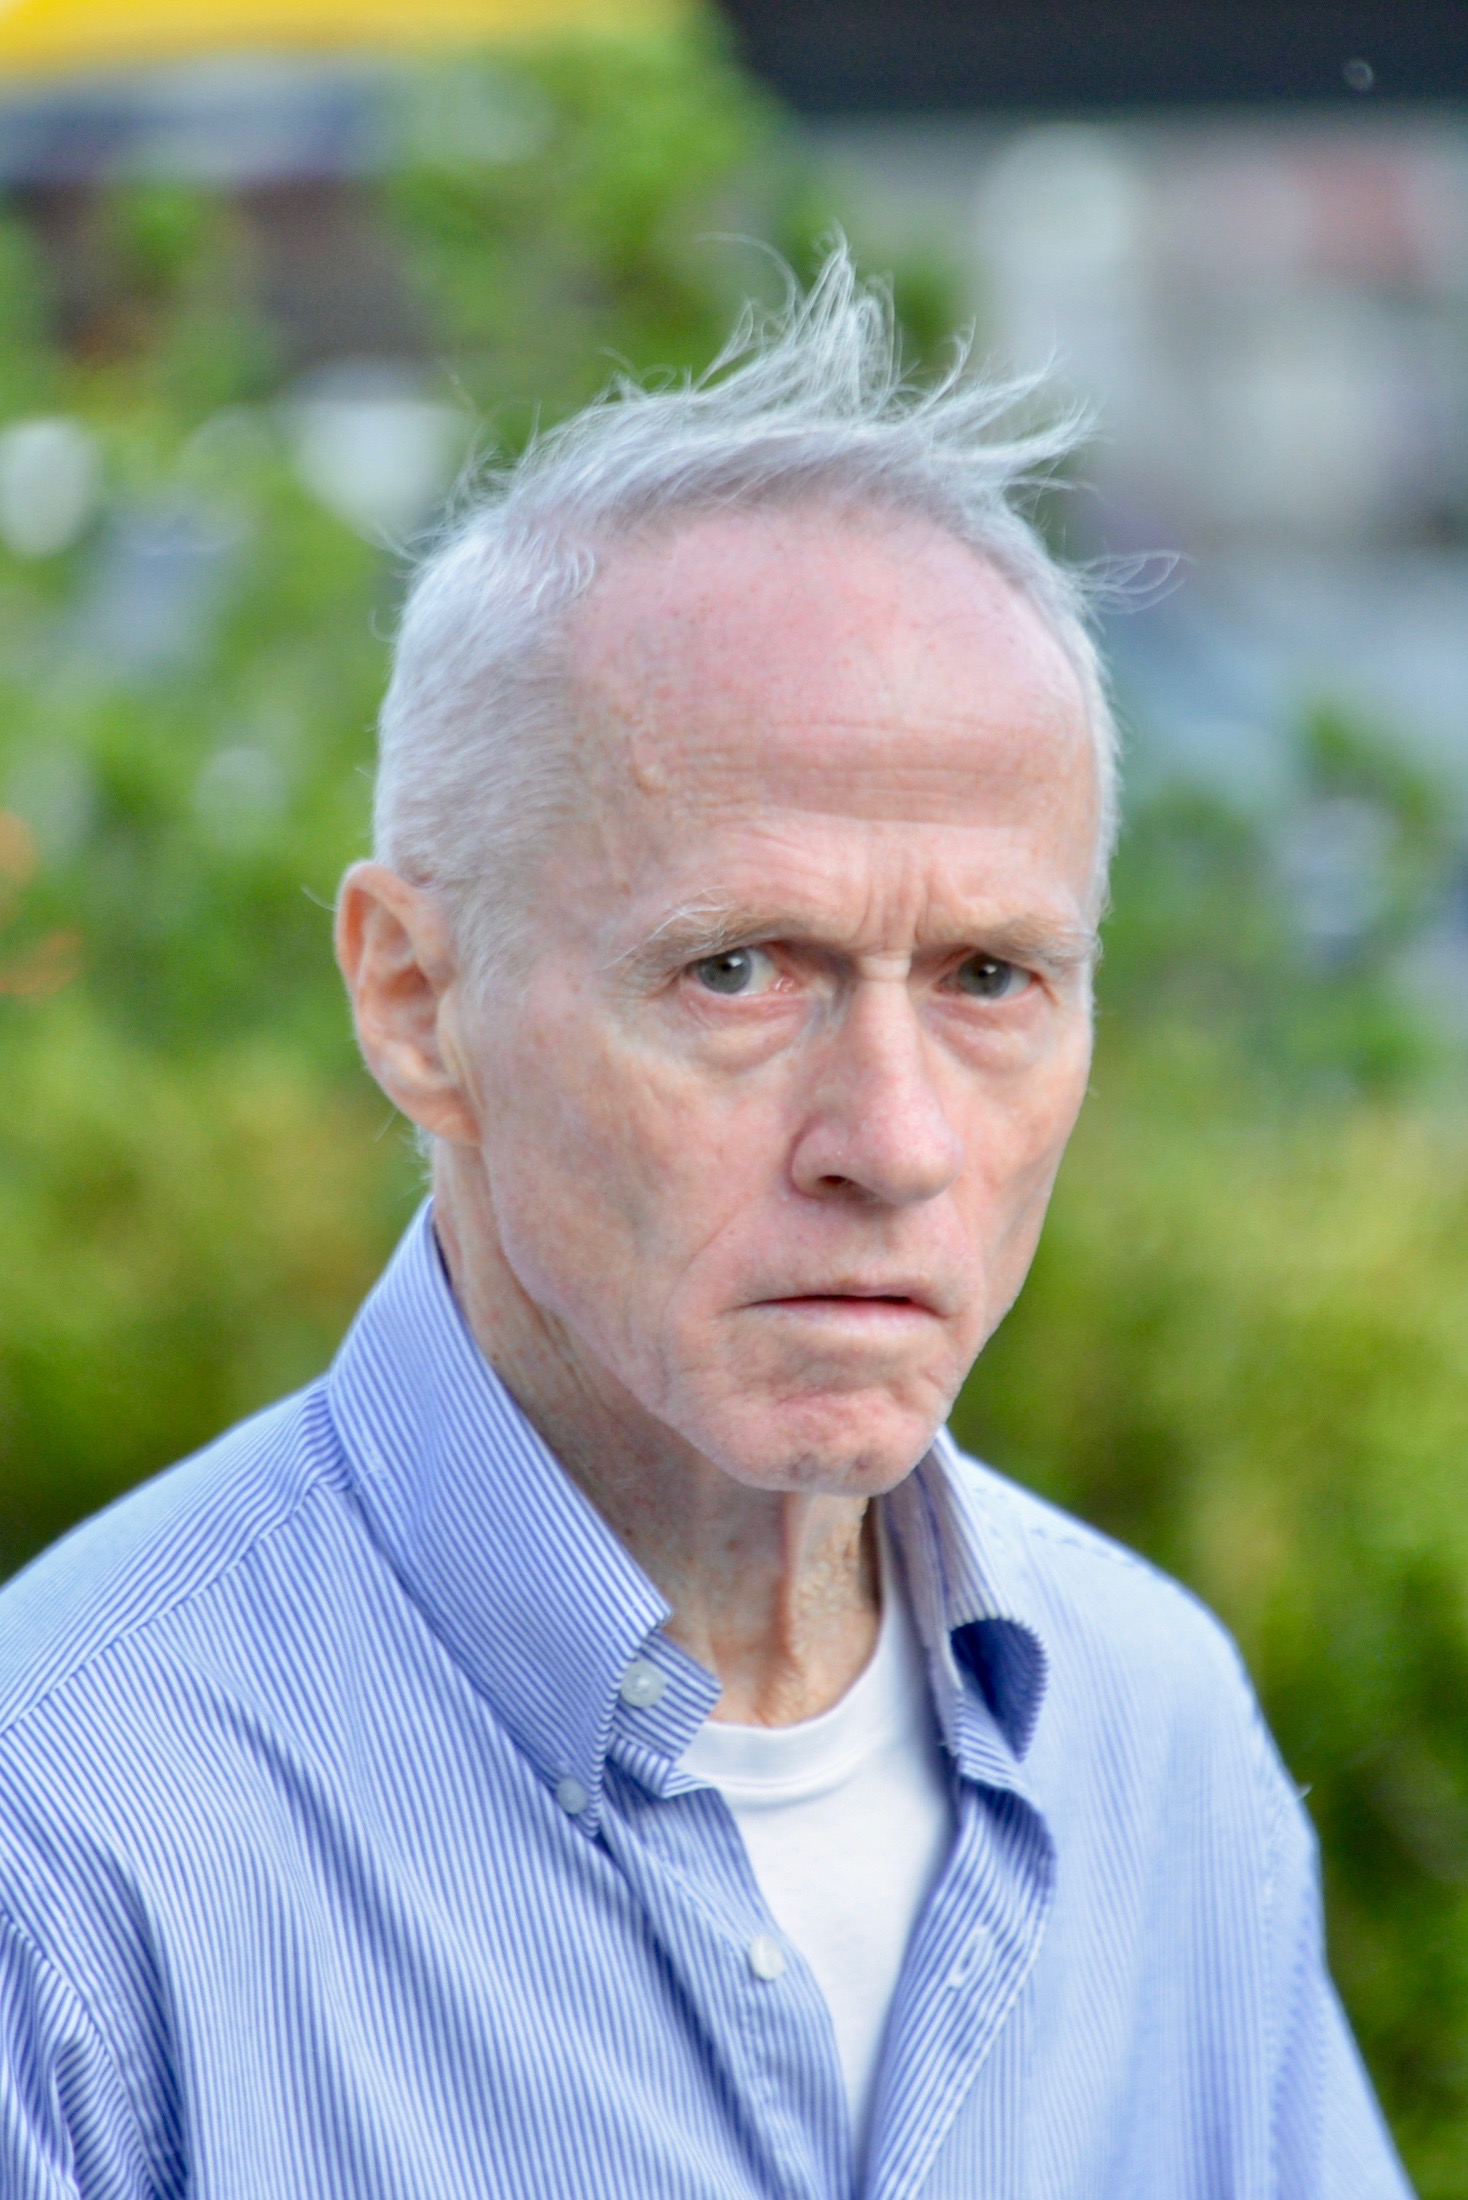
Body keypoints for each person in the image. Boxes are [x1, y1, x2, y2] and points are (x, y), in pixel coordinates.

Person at [0, 253, 1410, 2200]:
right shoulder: (67, 1839)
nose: (894, 1141)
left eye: (990, 977)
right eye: (737, 969)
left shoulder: (1154, 1733)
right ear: (413, 998)